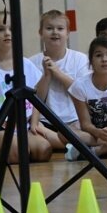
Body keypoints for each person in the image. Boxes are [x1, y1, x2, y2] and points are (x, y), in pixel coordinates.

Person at [0, 11, 52, 164]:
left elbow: (37, 98)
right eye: (1, 29)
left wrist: (34, 122)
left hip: (23, 126)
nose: (7, 33)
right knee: (17, 150)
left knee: (44, 149)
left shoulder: (25, 64)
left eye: (11, 29)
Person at [30, 10, 93, 151]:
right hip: (45, 122)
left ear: (68, 33)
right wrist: (46, 76)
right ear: (40, 33)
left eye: (60, 28)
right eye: (49, 28)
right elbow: (34, 99)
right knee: (36, 134)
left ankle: (67, 144)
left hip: (74, 120)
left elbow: (84, 93)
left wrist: (58, 73)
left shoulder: (80, 59)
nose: (55, 32)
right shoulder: (31, 62)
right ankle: (78, 146)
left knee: (83, 128)